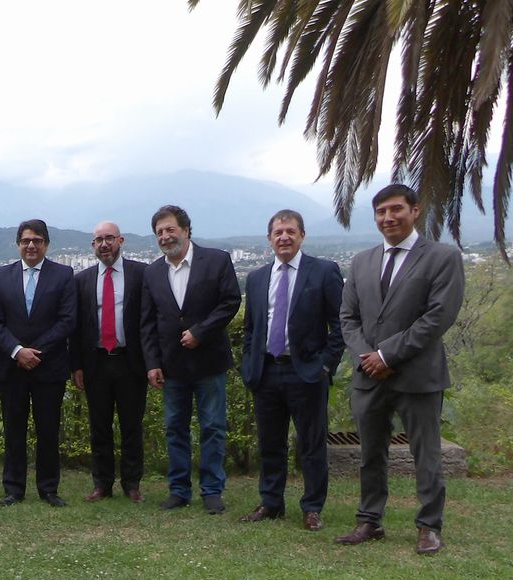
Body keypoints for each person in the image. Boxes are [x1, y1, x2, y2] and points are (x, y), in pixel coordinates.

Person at [335, 184, 464, 555]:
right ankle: (369, 520)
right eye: (381, 212)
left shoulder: (442, 257)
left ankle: (429, 526)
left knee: (426, 453)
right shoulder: (362, 261)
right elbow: (348, 317)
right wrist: (368, 357)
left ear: (415, 210)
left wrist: (387, 356)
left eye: (396, 209)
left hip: (418, 375)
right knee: (370, 452)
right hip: (369, 376)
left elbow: (438, 317)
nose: (388, 218)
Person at [239, 210, 344, 530]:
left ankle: (312, 507)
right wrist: (249, 364)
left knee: (311, 444)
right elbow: (251, 329)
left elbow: (340, 325)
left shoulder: (324, 272)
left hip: (307, 373)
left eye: (290, 231)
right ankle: (271, 503)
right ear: (269, 238)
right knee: (270, 443)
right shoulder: (257, 278)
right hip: (266, 372)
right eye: (278, 232)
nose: (284, 237)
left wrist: (325, 365)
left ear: (302, 235)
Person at [141, 205, 241, 514]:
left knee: (212, 427)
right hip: (171, 366)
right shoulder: (152, 272)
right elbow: (148, 322)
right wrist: (152, 363)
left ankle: (212, 491)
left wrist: (201, 331)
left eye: (170, 229)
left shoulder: (217, 260)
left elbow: (230, 302)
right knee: (175, 428)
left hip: (209, 361)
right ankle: (179, 490)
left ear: (186, 230)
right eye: (159, 232)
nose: (165, 236)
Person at [0, 219, 77, 507]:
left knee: (48, 429)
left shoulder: (63, 275)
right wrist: (17, 351)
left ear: (46, 244)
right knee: (14, 429)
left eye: (37, 240)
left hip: (48, 366)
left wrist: (35, 351)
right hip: (11, 366)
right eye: (26, 240)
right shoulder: (2, 275)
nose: (31, 245)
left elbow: (67, 321)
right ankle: (14, 488)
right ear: (18, 244)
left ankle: (48, 488)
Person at [69, 221, 148, 504]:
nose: (104, 244)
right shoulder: (82, 280)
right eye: (99, 240)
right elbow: (76, 327)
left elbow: (148, 321)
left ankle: (132, 483)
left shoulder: (141, 274)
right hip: (96, 363)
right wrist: (76, 365)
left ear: (120, 241)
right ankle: (102, 483)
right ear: (93, 245)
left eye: (109, 238)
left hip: (130, 362)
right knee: (99, 426)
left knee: (132, 426)